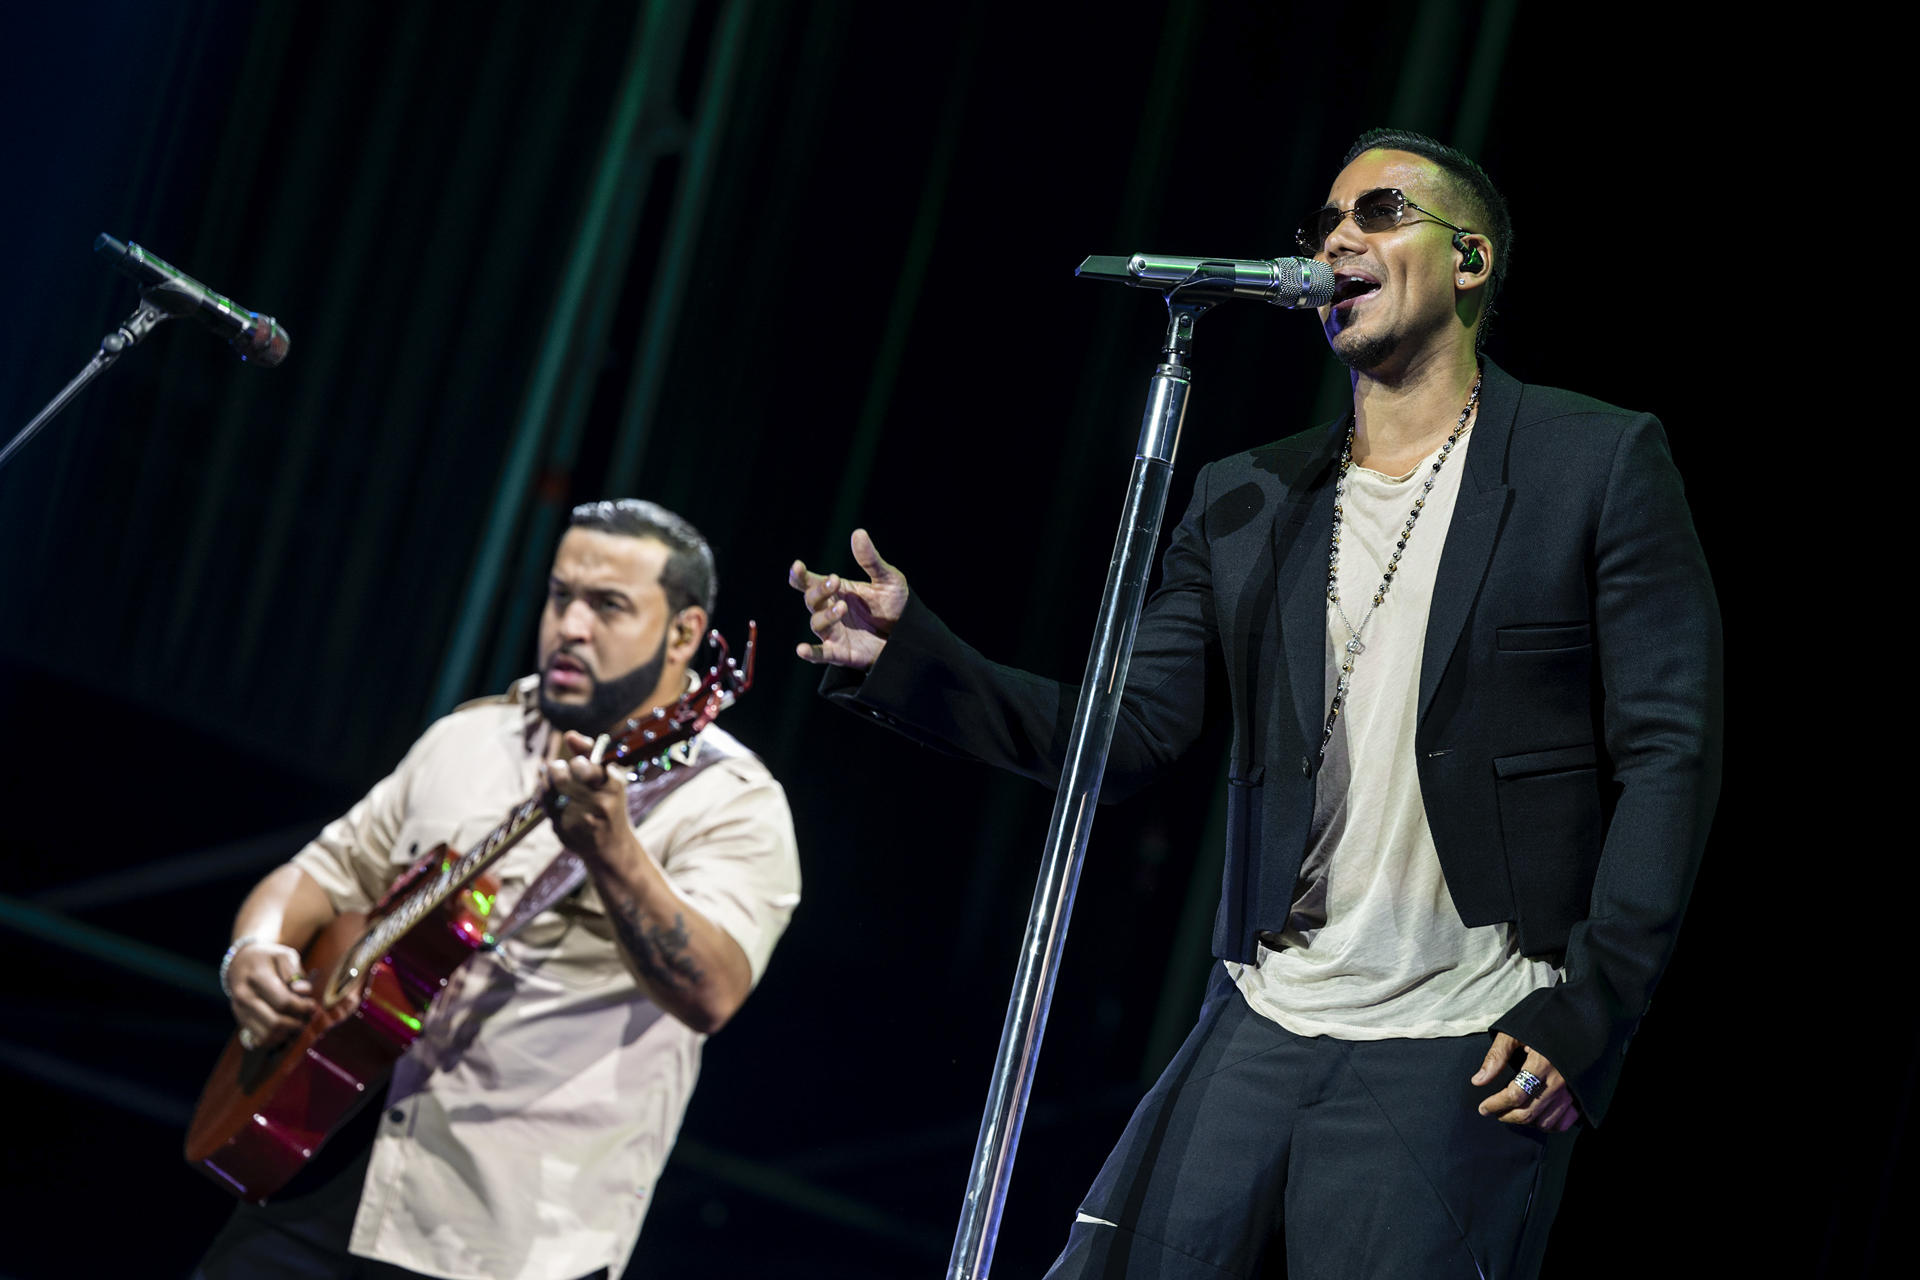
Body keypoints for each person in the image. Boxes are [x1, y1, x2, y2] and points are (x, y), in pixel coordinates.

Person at [788, 127, 1720, 1279]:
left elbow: (1669, 751)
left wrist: (1597, 1005)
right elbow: (1124, 736)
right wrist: (909, 658)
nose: (1338, 238)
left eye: (1379, 213)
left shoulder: (1597, 460)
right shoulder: (1248, 498)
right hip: (1268, 1006)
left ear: (1470, 259)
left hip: (1463, 1028)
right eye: (1322, 223)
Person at [198, 499, 801, 1280]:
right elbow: (320, 872)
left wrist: (614, 850)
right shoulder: (472, 734)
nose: (571, 626)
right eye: (561, 596)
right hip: (322, 1165)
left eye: (608, 605)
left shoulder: (733, 801)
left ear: (684, 634)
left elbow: (712, 992)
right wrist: (253, 949)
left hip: (505, 1240)